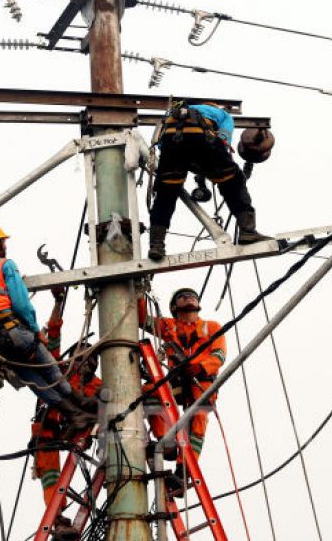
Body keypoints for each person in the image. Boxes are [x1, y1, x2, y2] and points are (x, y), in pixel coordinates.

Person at [0, 222, 94, 419]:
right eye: (2, 242)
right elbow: (21, 305)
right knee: (49, 368)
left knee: (33, 380)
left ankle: (73, 416)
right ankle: (81, 402)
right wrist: (37, 331)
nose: (5, 246)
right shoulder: (5, 265)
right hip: (14, 333)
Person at [148, 102, 270, 260]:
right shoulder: (223, 115)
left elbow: (161, 143)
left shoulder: (170, 114)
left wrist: (185, 164)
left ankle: (157, 245)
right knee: (233, 180)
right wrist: (215, 167)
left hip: (171, 146)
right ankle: (247, 231)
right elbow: (223, 139)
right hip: (201, 138)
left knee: (166, 193)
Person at [29, 288, 102, 538]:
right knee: (51, 476)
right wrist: (59, 301)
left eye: (93, 359)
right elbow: (53, 333)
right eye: (82, 355)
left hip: (77, 433)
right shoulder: (58, 369)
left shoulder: (99, 386)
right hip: (48, 431)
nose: (87, 361)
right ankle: (58, 520)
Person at [138, 287, 226, 460]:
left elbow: (219, 355)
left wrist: (200, 367)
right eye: (183, 297)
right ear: (174, 307)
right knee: (149, 392)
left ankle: (183, 469)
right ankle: (166, 442)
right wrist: (140, 291)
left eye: (193, 296)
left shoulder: (212, 327)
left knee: (198, 418)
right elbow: (142, 319)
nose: (189, 298)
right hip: (177, 380)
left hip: (202, 381)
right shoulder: (168, 327)